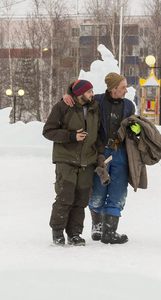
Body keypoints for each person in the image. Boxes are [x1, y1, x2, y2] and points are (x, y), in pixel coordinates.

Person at [63, 72, 136, 244]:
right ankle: (97, 227)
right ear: (113, 89)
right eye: (123, 87)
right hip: (99, 153)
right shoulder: (96, 101)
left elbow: (132, 127)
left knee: (118, 192)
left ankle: (109, 232)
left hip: (120, 153)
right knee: (97, 191)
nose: (126, 90)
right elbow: (77, 97)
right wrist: (67, 94)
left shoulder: (128, 105)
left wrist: (135, 130)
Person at [43, 80, 102, 246]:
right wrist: (71, 136)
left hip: (87, 161)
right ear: (79, 93)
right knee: (65, 196)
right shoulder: (62, 107)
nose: (92, 94)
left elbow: (97, 136)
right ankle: (57, 232)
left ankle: (75, 234)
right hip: (66, 159)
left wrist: (100, 156)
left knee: (82, 199)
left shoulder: (94, 108)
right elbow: (48, 131)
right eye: (89, 91)